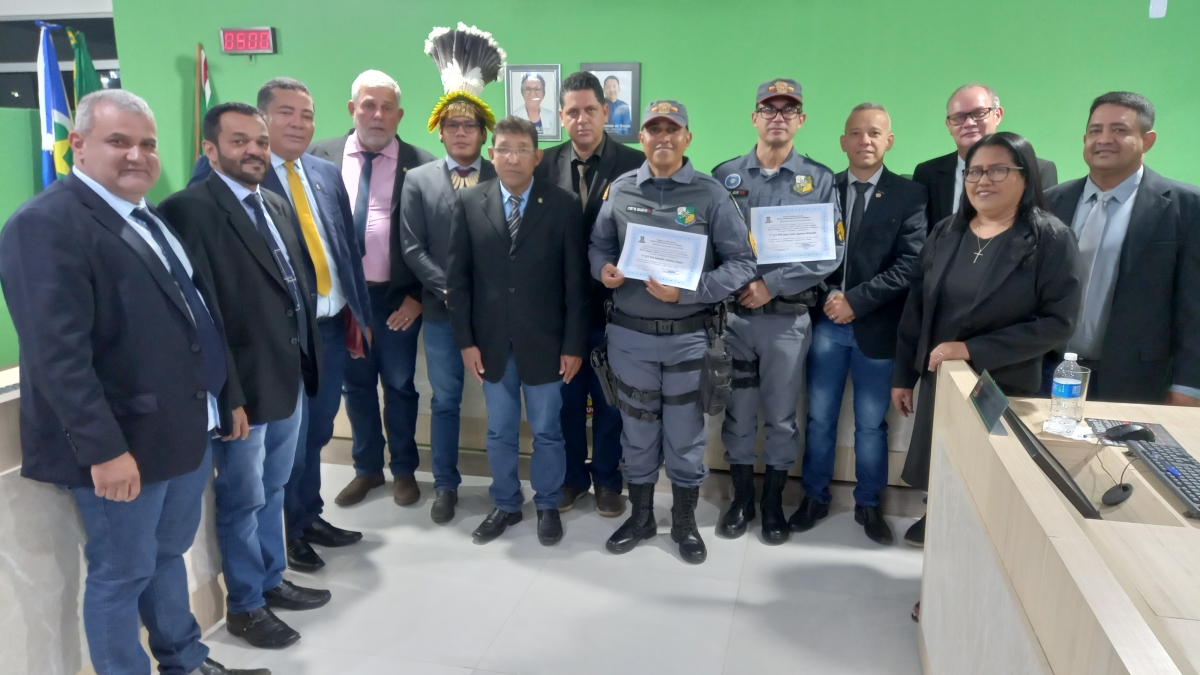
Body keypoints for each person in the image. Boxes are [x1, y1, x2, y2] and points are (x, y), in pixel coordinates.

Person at [0, 90, 265, 675]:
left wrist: (225, 397)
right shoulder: (45, 225)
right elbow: (57, 356)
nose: (137, 155)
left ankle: (184, 661)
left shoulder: (147, 217)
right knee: (121, 574)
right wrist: (105, 450)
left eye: (147, 143)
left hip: (183, 431)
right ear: (78, 145)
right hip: (123, 447)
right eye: (118, 141)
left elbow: (195, 317)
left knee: (167, 555)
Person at [160, 102, 331, 650]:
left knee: (274, 488)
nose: (254, 151)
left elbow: (293, 287)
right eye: (239, 142)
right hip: (243, 389)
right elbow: (200, 314)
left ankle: (272, 577)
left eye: (259, 141)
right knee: (243, 499)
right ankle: (246, 606)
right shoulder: (188, 210)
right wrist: (226, 392)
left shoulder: (273, 203)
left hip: (287, 376)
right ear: (210, 150)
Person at [193, 77, 370, 574]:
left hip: (326, 330)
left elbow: (345, 251)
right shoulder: (229, 181)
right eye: (287, 113)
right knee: (278, 455)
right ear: (264, 118)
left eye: (307, 114)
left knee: (315, 435)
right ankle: (285, 538)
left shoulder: (324, 172)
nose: (299, 123)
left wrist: (358, 316)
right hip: (270, 343)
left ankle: (307, 516)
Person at [892, 132, 1081, 547]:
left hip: (1003, 383)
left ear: (1025, 177)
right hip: (942, 379)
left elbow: (1057, 322)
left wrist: (971, 350)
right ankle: (940, 526)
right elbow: (917, 308)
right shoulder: (947, 231)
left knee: (986, 480)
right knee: (943, 463)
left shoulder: (1049, 238)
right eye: (974, 171)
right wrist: (903, 375)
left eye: (998, 170)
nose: (983, 180)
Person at [590, 100, 756, 564]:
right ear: (641, 138)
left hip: (688, 337)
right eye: (654, 129)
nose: (663, 137)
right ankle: (642, 517)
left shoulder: (711, 194)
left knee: (685, 436)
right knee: (636, 433)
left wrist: (689, 292)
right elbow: (600, 244)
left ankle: (683, 522)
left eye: (672, 129)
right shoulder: (621, 189)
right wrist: (603, 269)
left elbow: (742, 263)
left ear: (687, 137)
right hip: (630, 339)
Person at [710, 78, 843, 545]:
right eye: (769, 108)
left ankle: (771, 504)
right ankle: (742, 500)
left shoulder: (819, 179)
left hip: (787, 320)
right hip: (734, 321)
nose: (778, 117)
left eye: (789, 110)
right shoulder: (725, 176)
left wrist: (772, 285)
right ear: (755, 118)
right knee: (738, 413)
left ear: (800, 120)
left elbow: (830, 253)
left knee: (782, 417)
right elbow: (709, 244)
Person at [446, 116, 589, 545]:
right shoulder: (468, 203)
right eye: (504, 149)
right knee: (499, 430)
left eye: (522, 149)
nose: (512, 157)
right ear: (492, 155)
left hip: (547, 343)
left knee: (547, 430)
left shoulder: (563, 204)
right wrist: (465, 341)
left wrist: (573, 344)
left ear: (537, 156)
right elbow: (458, 281)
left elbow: (576, 284)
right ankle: (506, 503)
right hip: (491, 344)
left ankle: (547, 503)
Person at [796, 103, 927, 545]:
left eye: (874, 133)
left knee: (871, 425)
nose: (864, 140)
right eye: (855, 133)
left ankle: (869, 503)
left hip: (878, 328)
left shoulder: (910, 195)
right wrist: (828, 297)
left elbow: (911, 264)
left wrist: (856, 301)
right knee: (819, 418)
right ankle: (813, 497)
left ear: (889, 140)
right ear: (842, 141)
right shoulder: (822, 190)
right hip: (826, 325)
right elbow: (804, 252)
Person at [307, 70, 437, 508]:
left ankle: (404, 469)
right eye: (368, 105)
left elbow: (439, 239)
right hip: (344, 300)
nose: (377, 115)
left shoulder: (422, 163)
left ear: (399, 115)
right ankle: (366, 470)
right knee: (356, 387)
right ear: (352, 109)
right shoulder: (318, 157)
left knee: (399, 385)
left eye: (386, 108)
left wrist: (418, 297)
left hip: (397, 299)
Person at [399, 24, 505, 524]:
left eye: (470, 125)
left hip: (496, 315)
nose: (461, 132)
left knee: (500, 403)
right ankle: (445, 485)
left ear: (484, 133)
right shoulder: (418, 181)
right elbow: (411, 246)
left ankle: (505, 488)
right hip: (442, 314)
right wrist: (450, 288)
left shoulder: (504, 178)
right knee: (445, 400)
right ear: (439, 131)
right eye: (452, 124)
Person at [1043, 92, 1200, 406]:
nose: (1104, 139)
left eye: (1119, 130)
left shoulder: (1187, 206)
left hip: (1138, 381)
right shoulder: (1050, 202)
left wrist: (1188, 386)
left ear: (1147, 140)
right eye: (1095, 130)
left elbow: (1194, 305)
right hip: (1046, 373)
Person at [535, 71, 644, 517]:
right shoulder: (542, 165)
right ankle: (571, 479)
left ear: (606, 112)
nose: (582, 119)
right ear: (561, 116)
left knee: (610, 402)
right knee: (566, 399)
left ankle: (608, 481)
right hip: (559, 309)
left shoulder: (635, 163)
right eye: (573, 111)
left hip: (615, 306)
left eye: (591, 110)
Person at [913, 84, 1058, 231]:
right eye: (959, 117)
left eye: (979, 113)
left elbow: (1046, 231)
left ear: (998, 115)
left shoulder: (1038, 169)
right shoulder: (927, 173)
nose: (969, 123)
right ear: (948, 125)